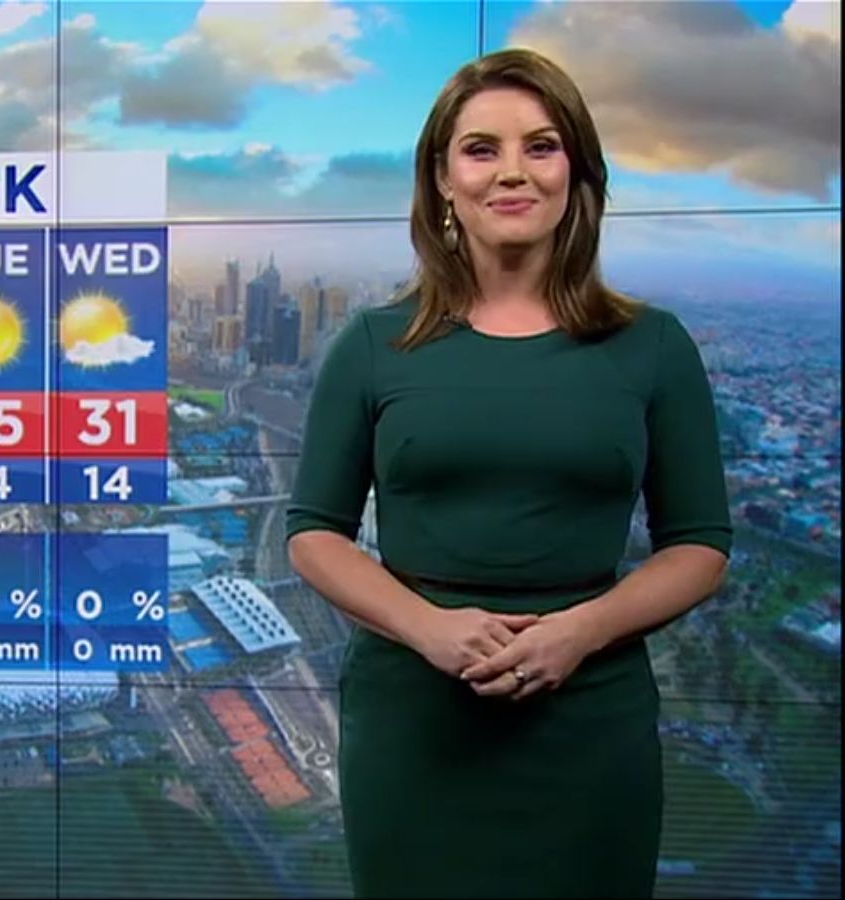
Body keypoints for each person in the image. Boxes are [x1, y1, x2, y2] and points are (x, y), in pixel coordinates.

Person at [284, 48, 732, 899]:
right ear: (442, 180)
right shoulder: (374, 345)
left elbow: (701, 545)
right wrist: (428, 629)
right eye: (481, 149)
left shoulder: (656, 347)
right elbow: (313, 533)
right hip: (414, 725)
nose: (513, 172)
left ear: (578, 173)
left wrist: (581, 632)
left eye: (542, 145)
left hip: (590, 724)